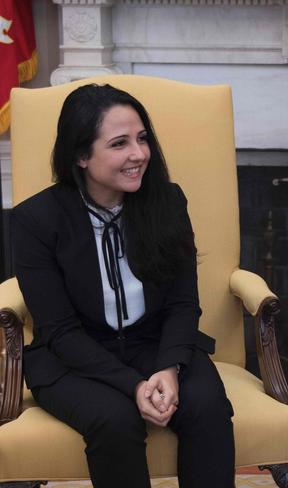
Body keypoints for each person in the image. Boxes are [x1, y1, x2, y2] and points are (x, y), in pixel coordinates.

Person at [12, 84, 235, 488]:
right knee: (115, 419)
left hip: (154, 344)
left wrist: (169, 369)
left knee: (207, 406)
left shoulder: (167, 201)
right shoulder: (35, 220)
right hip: (72, 358)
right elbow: (60, 331)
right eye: (119, 143)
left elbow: (183, 303)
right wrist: (133, 386)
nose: (139, 154)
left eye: (142, 138)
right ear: (81, 155)